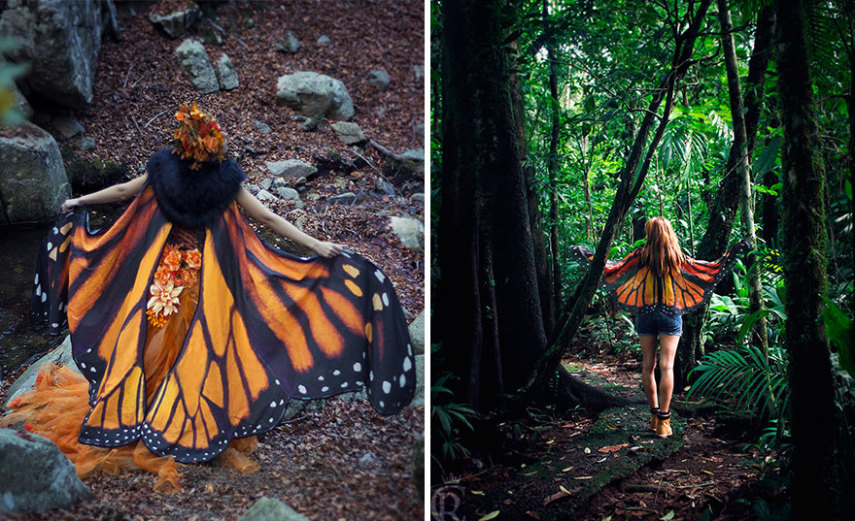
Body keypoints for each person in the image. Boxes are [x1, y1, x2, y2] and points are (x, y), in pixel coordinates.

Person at [3, 103, 417, 492]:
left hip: (162, 276)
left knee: (150, 340)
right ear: (213, 146)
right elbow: (269, 219)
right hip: (202, 281)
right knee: (195, 347)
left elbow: (123, 191)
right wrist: (316, 245)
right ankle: (177, 413)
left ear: (180, 144)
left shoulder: (163, 170)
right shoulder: (225, 182)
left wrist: (80, 200)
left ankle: (140, 408)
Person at [572, 217, 747, 439]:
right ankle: (664, 423)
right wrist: (731, 254)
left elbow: (613, 268)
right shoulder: (677, 258)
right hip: (671, 315)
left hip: (645, 314)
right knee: (666, 367)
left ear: (649, 234)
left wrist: (587, 256)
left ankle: (654, 417)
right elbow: (707, 269)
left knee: (648, 366)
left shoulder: (640, 256)